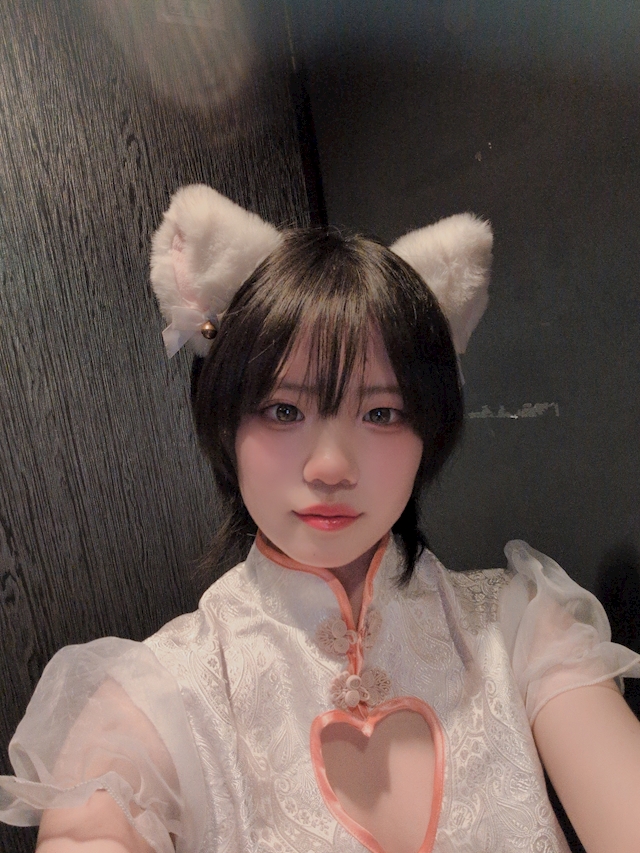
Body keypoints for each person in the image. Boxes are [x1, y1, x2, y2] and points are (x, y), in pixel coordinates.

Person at [1, 185, 640, 853]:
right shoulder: (149, 703)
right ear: (225, 423)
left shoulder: (522, 632)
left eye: (381, 413)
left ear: (428, 431)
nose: (331, 465)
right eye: (284, 410)